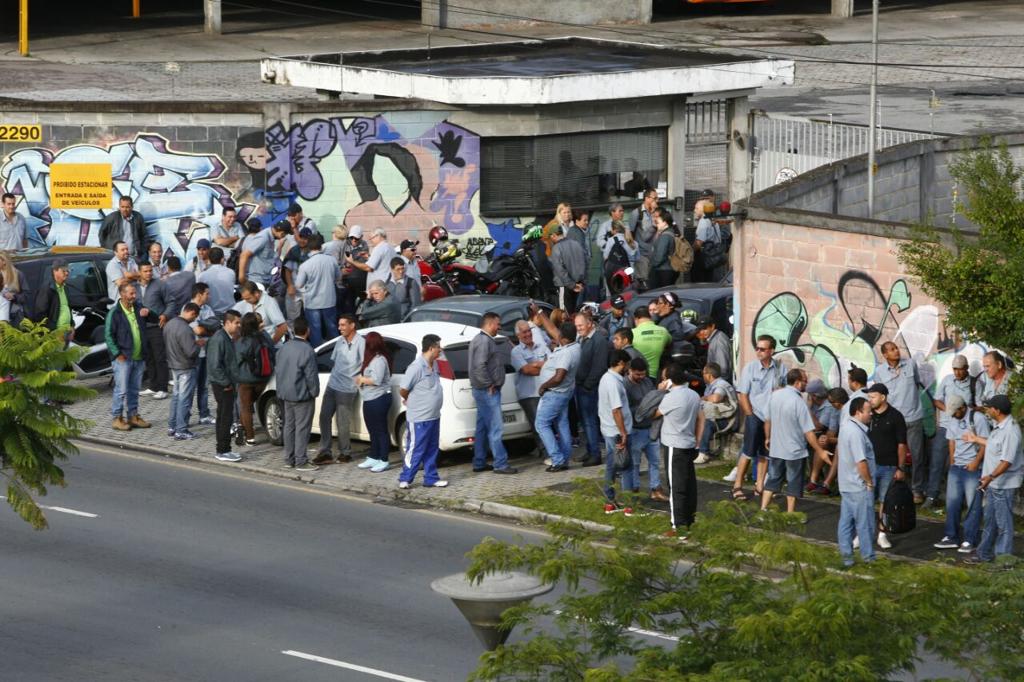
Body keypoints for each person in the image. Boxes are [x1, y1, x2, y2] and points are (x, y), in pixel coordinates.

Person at [964, 395, 1023, 563]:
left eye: (989, 408)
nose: (987, 410)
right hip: (994, 483)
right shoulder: (1000, 427)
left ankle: (1004, 560)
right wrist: (976, 439)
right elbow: (994, 444)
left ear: (997, 411)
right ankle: (984, 553)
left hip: (1003, 485)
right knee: (990, 520)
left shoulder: (1011, 431)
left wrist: (990, 477)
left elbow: (1006, 461)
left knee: (1004, 524)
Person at [760, 368, 828, 514]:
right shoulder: (799, 402)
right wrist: (820, 450)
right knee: (793, 482)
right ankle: (790, 513)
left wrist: (767, 437)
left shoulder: (774, 395)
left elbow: (767, 419)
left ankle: (763, 508)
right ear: (797, 382)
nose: (806, 384)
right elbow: (808, 431)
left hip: (777, 448)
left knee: (773, 479)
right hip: (795, 450)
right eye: (805, 381)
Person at [732, 334, 786, 501]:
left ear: (771, 351)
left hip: (771, 418)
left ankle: (760, 486)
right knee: (748, 451)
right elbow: (743, 394)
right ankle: (737, 485)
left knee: (765, 453)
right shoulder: (750, 368)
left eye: (762, 349)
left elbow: (783, 390)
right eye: (757, 348)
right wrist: (750, 415)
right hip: (755, 414)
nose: (758, 352)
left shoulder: (780, 368)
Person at [654, 362, 704, 538]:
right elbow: (701, 419)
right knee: (689, 484)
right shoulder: (693, 395)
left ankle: (678, 526)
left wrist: (660, 392)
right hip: (689, 442)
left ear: (669, 380)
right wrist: (698, 441)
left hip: (674, 445)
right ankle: (689, 520)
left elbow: (653, 413)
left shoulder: (670, 398)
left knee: (676, 487)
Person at [933, 395, 988, 553]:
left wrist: (976, 462)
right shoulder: (953, 418)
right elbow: (951, 440)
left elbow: (985, 443)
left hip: (972, 467)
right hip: (956, 466)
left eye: (955, 412)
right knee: (952, 504)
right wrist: (952, 460)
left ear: (963, 408)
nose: (953, 416)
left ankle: (970, 539)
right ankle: (951, 536)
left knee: (973, 505)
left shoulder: (978, 419)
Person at [873, 341, 926, 503]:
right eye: (891, 350)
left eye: (896, 348)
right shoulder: (880, 371)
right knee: (894, 456)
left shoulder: (910, 364)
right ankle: (893, 488)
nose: (896, 351)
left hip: (913, 417)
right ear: (885, 355)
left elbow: (917, 384)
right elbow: (880, 394)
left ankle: (917, 490)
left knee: (917, 456)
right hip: (893, 421)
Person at [312, 315, 365, 466]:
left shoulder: (361, 343)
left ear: (352, 326)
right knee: (324, 417)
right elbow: (335, 362)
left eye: (343, 325)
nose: (339, 328)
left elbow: (365, 364)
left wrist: (360, 380)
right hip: (332, 384)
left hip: (347, 388)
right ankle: (325, 452)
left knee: (342, 421)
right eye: (339, 325)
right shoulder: (340, 341)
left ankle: (345, 453)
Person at [532, 312, 581, 472]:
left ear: (563, 337)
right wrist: (540, 312)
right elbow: (552, 329)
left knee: (541, 424)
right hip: (564, 393)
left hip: (555, 393)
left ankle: (557, 459)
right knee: (562, 424)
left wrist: (544, 386)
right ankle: (564, 459)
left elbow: (559, 377)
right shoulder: (574, 345)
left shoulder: (566, 353)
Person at [469, 312, 516, 475]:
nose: (499, 327)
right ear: (489, 324)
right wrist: (489, 384)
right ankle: (500, 463)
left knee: (482, 427)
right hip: (487, 391)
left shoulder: (481, 339)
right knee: (496, 428)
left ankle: (479, 461)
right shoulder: (484, 341)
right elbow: (479, 366)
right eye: (498, 324)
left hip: (482, 390)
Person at [398, 334, 448, 489]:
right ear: (431, 348)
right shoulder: (416, 367)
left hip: (434, 416)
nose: (440, 349)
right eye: (438, 347)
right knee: (416, 449)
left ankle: (431, 478)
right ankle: (406, 478)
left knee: (432, 449)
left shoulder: (435, 364)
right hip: (419, 417)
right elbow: (403, 389)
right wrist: (410, 399)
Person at [927, 354, 974, 510]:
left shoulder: (974, 384)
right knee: (937, 463)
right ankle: (931, 496)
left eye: (960, 369)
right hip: (945, 426)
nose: (957, 372)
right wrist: (949, 409)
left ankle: (957, 500)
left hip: (963, 429)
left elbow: (979, 405)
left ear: (966, 368)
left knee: (959, 464)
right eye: (955, 369)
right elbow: (936, 400)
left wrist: (965, 412)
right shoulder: (947, 380)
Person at [104, 281, 152, 431]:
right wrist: (117, 354)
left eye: (135, 293)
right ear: (122, 294)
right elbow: (108, 335)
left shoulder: (138, 308)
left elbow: (154, 319)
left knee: (134, 389)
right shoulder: (115, 313)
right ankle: (117, 418)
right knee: (121, 390)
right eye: (131, 293)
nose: (134, 296)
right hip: (123, 358)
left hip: (138, 357)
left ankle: (133, 416)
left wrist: (149, 312)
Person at [836, 397, 877, 568]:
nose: (871, 414)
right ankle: (868, 559)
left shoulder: (846, 427)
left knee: (846, 523)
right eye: (868, 411)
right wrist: (869, 482)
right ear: (858, 412)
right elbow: (861, 462)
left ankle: (847, 558)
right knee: (865, 524)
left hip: (846, 483)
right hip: (858, 485)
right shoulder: (856, 433)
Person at [866, 383, 907, 550]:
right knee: (866, 500)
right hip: (869, 466)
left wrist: (900, 467)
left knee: (885, 501)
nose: (870, 400)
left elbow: (902, 444)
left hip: (889, 466)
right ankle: (863, 533)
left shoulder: (896, 416)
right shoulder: (867, 415)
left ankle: (882, 533)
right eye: (868, 397)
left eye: (873, 397)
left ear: (883, 397)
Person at [275, 318, 320, 471]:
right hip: (302, 394)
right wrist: (314, 392)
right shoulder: (307, 350)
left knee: (289, 427)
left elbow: (279, 370)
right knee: (302, 428)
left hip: (286, 394)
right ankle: (301, 460)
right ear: (308, 330)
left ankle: (289, 459)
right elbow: (311, 375)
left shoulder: (284, 347)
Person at [624, 356, 666, 501]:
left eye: (643, 374)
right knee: (635, 463)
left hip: (650, 427)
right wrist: (645, 409)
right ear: (630, 371)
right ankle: (635, 490)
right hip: (635, 429)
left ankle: (656, 489)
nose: (641, 377)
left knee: (655, 461)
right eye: (638, 374)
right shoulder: (625, 385)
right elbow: (626, 409)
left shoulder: (647, 381)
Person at [206, 309, 243, 462]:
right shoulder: (219, 339)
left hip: (227, 383)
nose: (239, 326)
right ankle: (223, 450)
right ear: (227, 323)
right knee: (224, 418)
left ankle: (224, 449)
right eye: (236, 323)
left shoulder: (227, 337)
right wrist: (226, 383)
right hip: (223, 385)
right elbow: (214, 365)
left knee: (224, 417)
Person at [511, 320, 550, 459]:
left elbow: (553, 365)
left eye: (529, 331)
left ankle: (553, 451)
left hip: (546, 390)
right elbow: (527, 371)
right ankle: (546, 453)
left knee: (548, 424)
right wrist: (544, 365)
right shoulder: (516, 352)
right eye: (524, 332)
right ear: (518, 335)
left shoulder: (542, 346)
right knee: (538, 425)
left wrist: (536, 364)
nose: (528, 334)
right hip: (529, 395)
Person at [598, 350, 635, 499]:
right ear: (621, 363)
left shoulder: (607, 378)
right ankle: (627, 502)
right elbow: (616, 410)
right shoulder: (612, 382)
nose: (628, 367)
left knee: (612, 465)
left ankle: (610, 499)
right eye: (628, 364)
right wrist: (623, 433)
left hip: (611, 429)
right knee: (625, 466)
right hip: (617, 432)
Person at [163, 302, 202, 441]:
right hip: (186, 367)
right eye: (195, 317)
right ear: (192, 313)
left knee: (176, 397)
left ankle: (172, 426)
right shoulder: (185, 329)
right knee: (184, 399)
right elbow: (191, 352)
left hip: (174, 365)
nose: (194, 320)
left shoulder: (169, 324)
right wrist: (198, 345)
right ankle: (181, 430)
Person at [235, 312, 274, 446]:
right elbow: (272, 353)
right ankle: (241, 426)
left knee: (245, 407)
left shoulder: (242, 341)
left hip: (246, 379)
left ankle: (250, 437)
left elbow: (237, 360)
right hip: (263, 378)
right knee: (250, 403)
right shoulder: (265, 338)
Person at [356, 331, 393, 473]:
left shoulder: (379, 360)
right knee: (372, 429)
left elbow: (376, 380)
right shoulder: (370, 358)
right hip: (369, 398)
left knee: (381, 430)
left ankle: (384, 459)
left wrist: (362, 379)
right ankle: (374, 456)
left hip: (379, 398)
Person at [296, 232, 341, 347]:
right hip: (329, 300)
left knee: (315, 332)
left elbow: (299, 284)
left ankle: (318, 354)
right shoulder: (332, 260)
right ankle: (338, 351)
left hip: (312, 303)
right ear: (321, 246)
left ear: (308, 247)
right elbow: (338, 277)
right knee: (332, 329)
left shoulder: (305, 265)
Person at [187, 282, 217, 427]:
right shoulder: (188, 308)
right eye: (207, 293)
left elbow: (216, 326)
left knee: (204, 386)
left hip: (207, 353)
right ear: (199, 294)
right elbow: (197, 330)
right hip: (194, 355)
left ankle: (204, 415)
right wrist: (208, 329)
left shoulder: (207, 308)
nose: (209, 296)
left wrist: (205, 328)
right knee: (189, 388)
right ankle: (184, 417)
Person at [138, 261, 169, 400]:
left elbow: (171, 302)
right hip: (142, 328)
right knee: (149, 358)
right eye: (145, 271)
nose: (149, 273)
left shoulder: (160, 284)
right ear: (139, 272)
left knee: (160, 357)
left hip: (156, 326)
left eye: (150, 270)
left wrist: (165, 315)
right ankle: (153, 386)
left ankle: (163, 388)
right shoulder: (135, 286)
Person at [696, 362, 738, 464]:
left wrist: (704, 398)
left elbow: (716, 398)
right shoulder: (710, 385)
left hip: (728, 420)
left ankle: (703, 453)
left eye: (704, 373)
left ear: (709, 375)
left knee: (707, 423)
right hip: (718, 416)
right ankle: (694, 449)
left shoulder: (721, 384)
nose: (702, 375)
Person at [233, 280, 288, 346]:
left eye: (248, 298)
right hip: (251, 346)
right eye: (245, 299)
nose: (246, 301)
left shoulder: (269, 302)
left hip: (267, 345)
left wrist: (270, 345)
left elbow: (283, 327)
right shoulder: (245, 302)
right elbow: (231, 316)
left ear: (256, 293)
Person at [238, 220, 291, 287]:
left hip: (263, 279)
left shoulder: (270, 237)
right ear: (282, 233)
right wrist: (242, 278)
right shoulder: (263, 237)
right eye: (285, 234)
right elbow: (244, 255)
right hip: (255, 280)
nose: (284, 237)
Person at [33, 259, 74, 342]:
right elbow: (40, 315)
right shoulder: (47, 289)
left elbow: (67, 308)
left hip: (67, 331)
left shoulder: (65, 287)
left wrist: (72, 326)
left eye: (68, 270)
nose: (67, 273)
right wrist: (53, 333)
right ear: (55, 271)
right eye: (64, 271)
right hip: (55, 334)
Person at [550, 225, 586, 313]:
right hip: (579, 284)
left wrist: (572, 285)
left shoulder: (556, 248)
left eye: (550, 237)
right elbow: (586, 261)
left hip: (565, 286)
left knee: (564, 313)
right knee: (575, 312)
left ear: (554, 235)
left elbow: (560, 270)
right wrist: (580, 282)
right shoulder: (576, 244)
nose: (550, 239)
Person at [348, 228, 397, 292]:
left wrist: (352, 261)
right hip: (387, 285)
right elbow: (382, 263)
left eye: (371, 238)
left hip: (378, 288)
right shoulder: (390, 247)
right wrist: (369, 257)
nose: (371, 241)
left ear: (378, 236)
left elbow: (368, 268)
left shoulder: (379, 248)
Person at [281, 225, 313, 323]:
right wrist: (290, 285)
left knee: (312, 318)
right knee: (292, 318)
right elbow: (287, 270)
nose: (302, 240)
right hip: (294, 289)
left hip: (309, 290)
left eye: (306, 238)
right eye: (301, 237)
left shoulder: (313, 253)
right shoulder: (294, 251)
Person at [631, 306, 671, 379]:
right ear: (651, 317)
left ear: (636, 319)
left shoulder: (632, 333)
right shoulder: (663, 331)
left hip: (637, 376)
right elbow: (669, 343)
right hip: (655, 376)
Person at [154, 256, 196, 325]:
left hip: (174, 318)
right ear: (180, 265)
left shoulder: (165, 283)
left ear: (168, 267)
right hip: (191, 314)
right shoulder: (191, 276)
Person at [630, 189, 659, 283]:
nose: (657, 201)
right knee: (644, 281)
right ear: (647, 198)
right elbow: (631, 233)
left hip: (655, 254)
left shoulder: (657, 212)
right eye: (655, 198)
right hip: (642, 254)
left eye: (657, 198)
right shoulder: (637, 213)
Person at [340, 224, 369, 314]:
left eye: (356, 238)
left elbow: (363, 262)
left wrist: (352, 260)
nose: (353, 240)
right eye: (351, 237)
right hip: (345, 279)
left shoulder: (364, 245)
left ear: (361, 237)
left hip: (359, 280)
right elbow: (341, 259)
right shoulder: (344, 243)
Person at [198, 247, 236, 315]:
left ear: (209, 259)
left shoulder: (203, 276)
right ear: (222, 259)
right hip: (230, 312)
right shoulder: (231, 272)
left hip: (212, 313)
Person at [602, 219, 635, 293]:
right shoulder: (629, 240)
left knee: (614, 293)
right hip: (626, 270)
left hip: (612, 270)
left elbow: (605, 256)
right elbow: (633, 256)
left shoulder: (611, 240)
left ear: (614, 230)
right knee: (626, 292)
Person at [649, 208, 678, 289]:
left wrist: (652, 264)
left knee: (659, 293)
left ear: (665, 223)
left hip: (662, 271)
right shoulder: (672, 232)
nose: (656, 225)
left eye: (658, 223)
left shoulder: (665, 236)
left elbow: (660, 256)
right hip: (669, 270)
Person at [696, 315, 731, 381]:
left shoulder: (718, 341)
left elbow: (723, 368)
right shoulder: (713, 338)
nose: (702, 332)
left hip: (720, 382)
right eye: (700, 329)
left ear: (712, 326)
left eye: (705, 329)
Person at [0, 251, 29, 324]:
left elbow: (26, 295)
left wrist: (14, 297)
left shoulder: (18, 275)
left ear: (4, 261)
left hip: (14, 315)